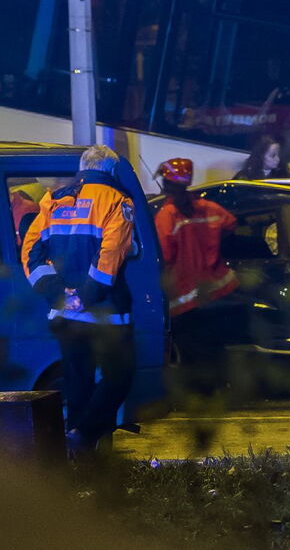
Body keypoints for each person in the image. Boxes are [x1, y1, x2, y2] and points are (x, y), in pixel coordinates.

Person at [21, 145, 136, 453]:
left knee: (77, 383)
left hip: (65, 314)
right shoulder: (117, 200)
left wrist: (57, 292)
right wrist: (86, 296)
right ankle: (84, 435)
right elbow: (111, 254)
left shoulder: (53, 199)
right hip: (105, 314)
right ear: (111, 171)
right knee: (120, 377)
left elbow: (31, 252)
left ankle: (78, 457)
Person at [153, 158, 239, 393]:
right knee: (214, 345)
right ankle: (220, 388)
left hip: (185, 298)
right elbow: (232, 226)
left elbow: (164, 254)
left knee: (191, 350)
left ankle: (201, 395)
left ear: (165, 183)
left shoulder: (166, 215)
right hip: (217, 291)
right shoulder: (208, 208)